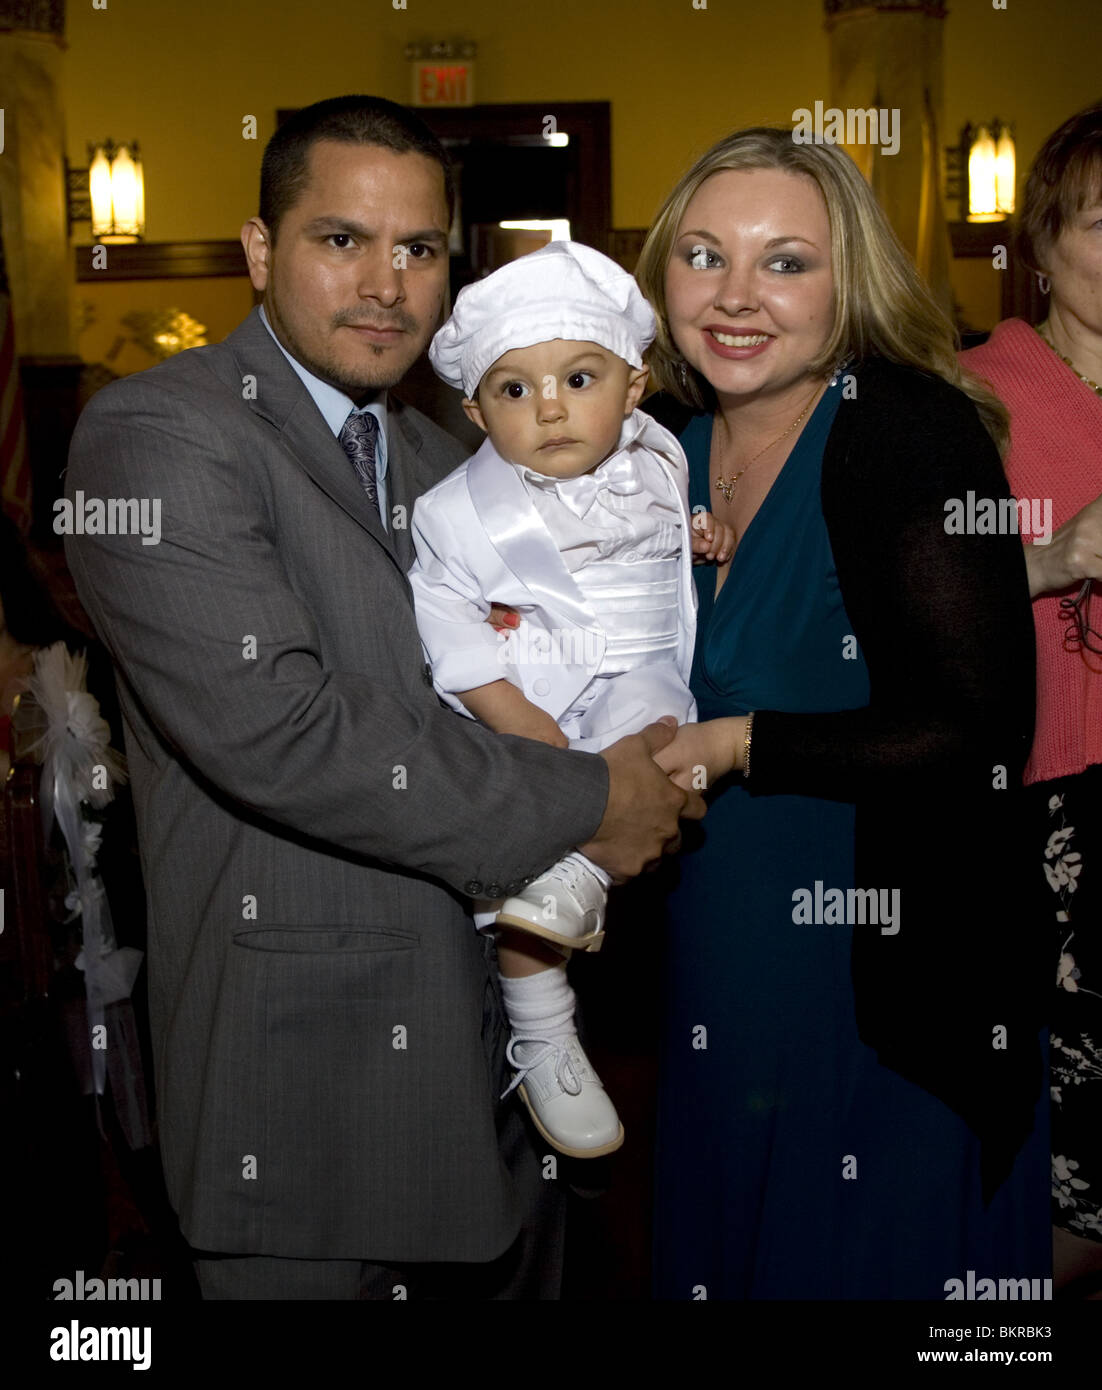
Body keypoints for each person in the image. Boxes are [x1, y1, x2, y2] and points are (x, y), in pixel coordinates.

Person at [62, 95, 701, 1301]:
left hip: (490, 1062)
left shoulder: (446, 455)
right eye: (340, 239)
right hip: (301, 1081)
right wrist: (584, 799)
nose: (385, 283)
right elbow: (279, 728)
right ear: (260, 251)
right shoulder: (159, 434)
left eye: (416, 249)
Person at [633, 126, 1051, 1299]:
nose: (735, 298)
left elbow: (977, 726)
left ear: (847, 282)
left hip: (882, 972)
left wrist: (743, 742)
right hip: (713, 945)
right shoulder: (657, 444)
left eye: (785, 263)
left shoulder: (908, 429)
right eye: (704, 256)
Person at [408, 240, 733, 1161]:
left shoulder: (662, 463)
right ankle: (542, 1032)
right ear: (474, 411)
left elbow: (669, 555)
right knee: (525, 872)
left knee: (655, 772)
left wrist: (700, 536)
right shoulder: (454, 512)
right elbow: (451, 633)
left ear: (633, 389)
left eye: (579, 378)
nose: (550, 408)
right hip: (532, 698)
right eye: (514, 391)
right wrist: (533, 734)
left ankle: (576, 885)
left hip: (644, 689)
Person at [961, 101, 1102, 1295]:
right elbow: (917, 586)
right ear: (1043, 240)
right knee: (1071, 1156)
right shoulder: (980, 394)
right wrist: (1056, 553)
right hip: (1053, 802)